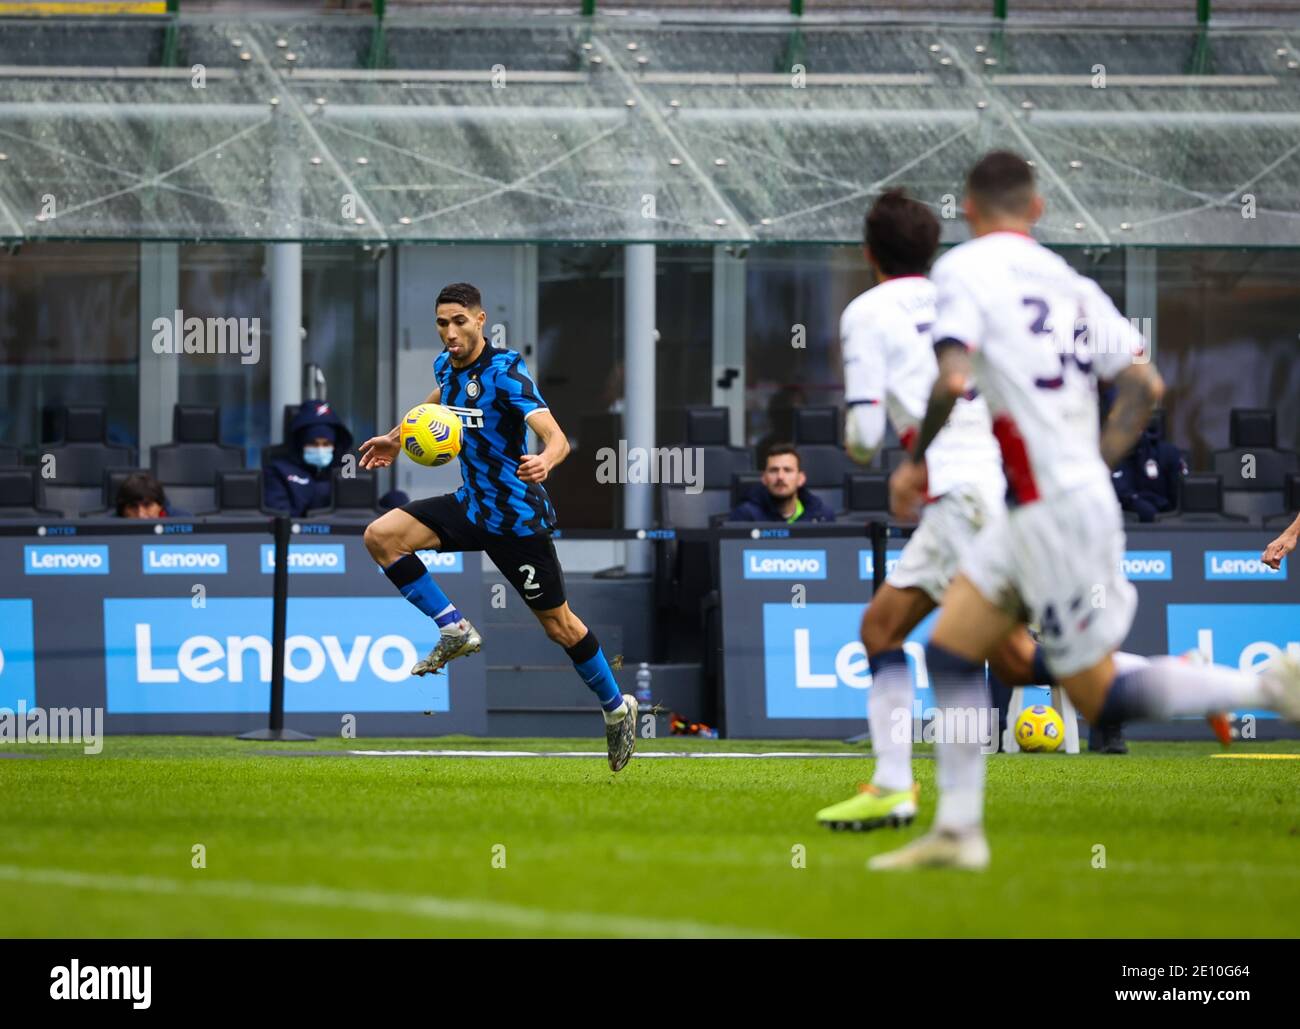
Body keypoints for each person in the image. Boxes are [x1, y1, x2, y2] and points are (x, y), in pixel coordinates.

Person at [870, 151, 1299, 871]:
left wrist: (916, 460)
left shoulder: (963, 271)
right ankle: (958, 829)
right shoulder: (1073, 285)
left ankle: (1261, 685)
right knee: (951, 648)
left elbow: (950, 376)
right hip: (1049, 502)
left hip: (1048, 508)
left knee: (1096, 693)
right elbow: (1144, 383)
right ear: (1037, 209)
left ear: (969, 211)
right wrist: (1093, 465)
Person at [358, 282, 639, 772]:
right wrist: (396, 437)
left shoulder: (506, 371)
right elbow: (435, 404)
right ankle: (455, 628)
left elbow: (557, 437)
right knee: (381, 536)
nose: (449, 332)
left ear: (481, 320)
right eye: (442, 323)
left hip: (516, 518)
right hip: (471, 507)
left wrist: (546, 461)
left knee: (559, 626)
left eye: (459, 322)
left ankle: (617, 708)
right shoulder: (445, 366)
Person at [263, 400, 354, 517]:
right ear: (301, 444)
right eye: (313, 444)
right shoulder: (278, 471)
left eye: (326, 444)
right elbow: (280, 517)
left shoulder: (347, 471)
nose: (320, 449)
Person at [728, 444, 835, 523]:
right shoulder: (745, 516)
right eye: (774, 470)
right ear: (764, 478)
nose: (780, 477)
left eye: (787, 470)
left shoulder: (822, 516)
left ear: (801, 479)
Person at [1111, 413, 1186, 522]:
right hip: (1125, 519)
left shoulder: (1167, 452)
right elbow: (1119, 491)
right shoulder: (1111, 455)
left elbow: (1179, 493)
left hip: (1165, 521)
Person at [115, 472, 190, 519]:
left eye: (147, 505)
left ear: (160, 506)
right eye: (133, 506)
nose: (140, 515)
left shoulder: (186, 521)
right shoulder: (107, 528)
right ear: (122, 511)